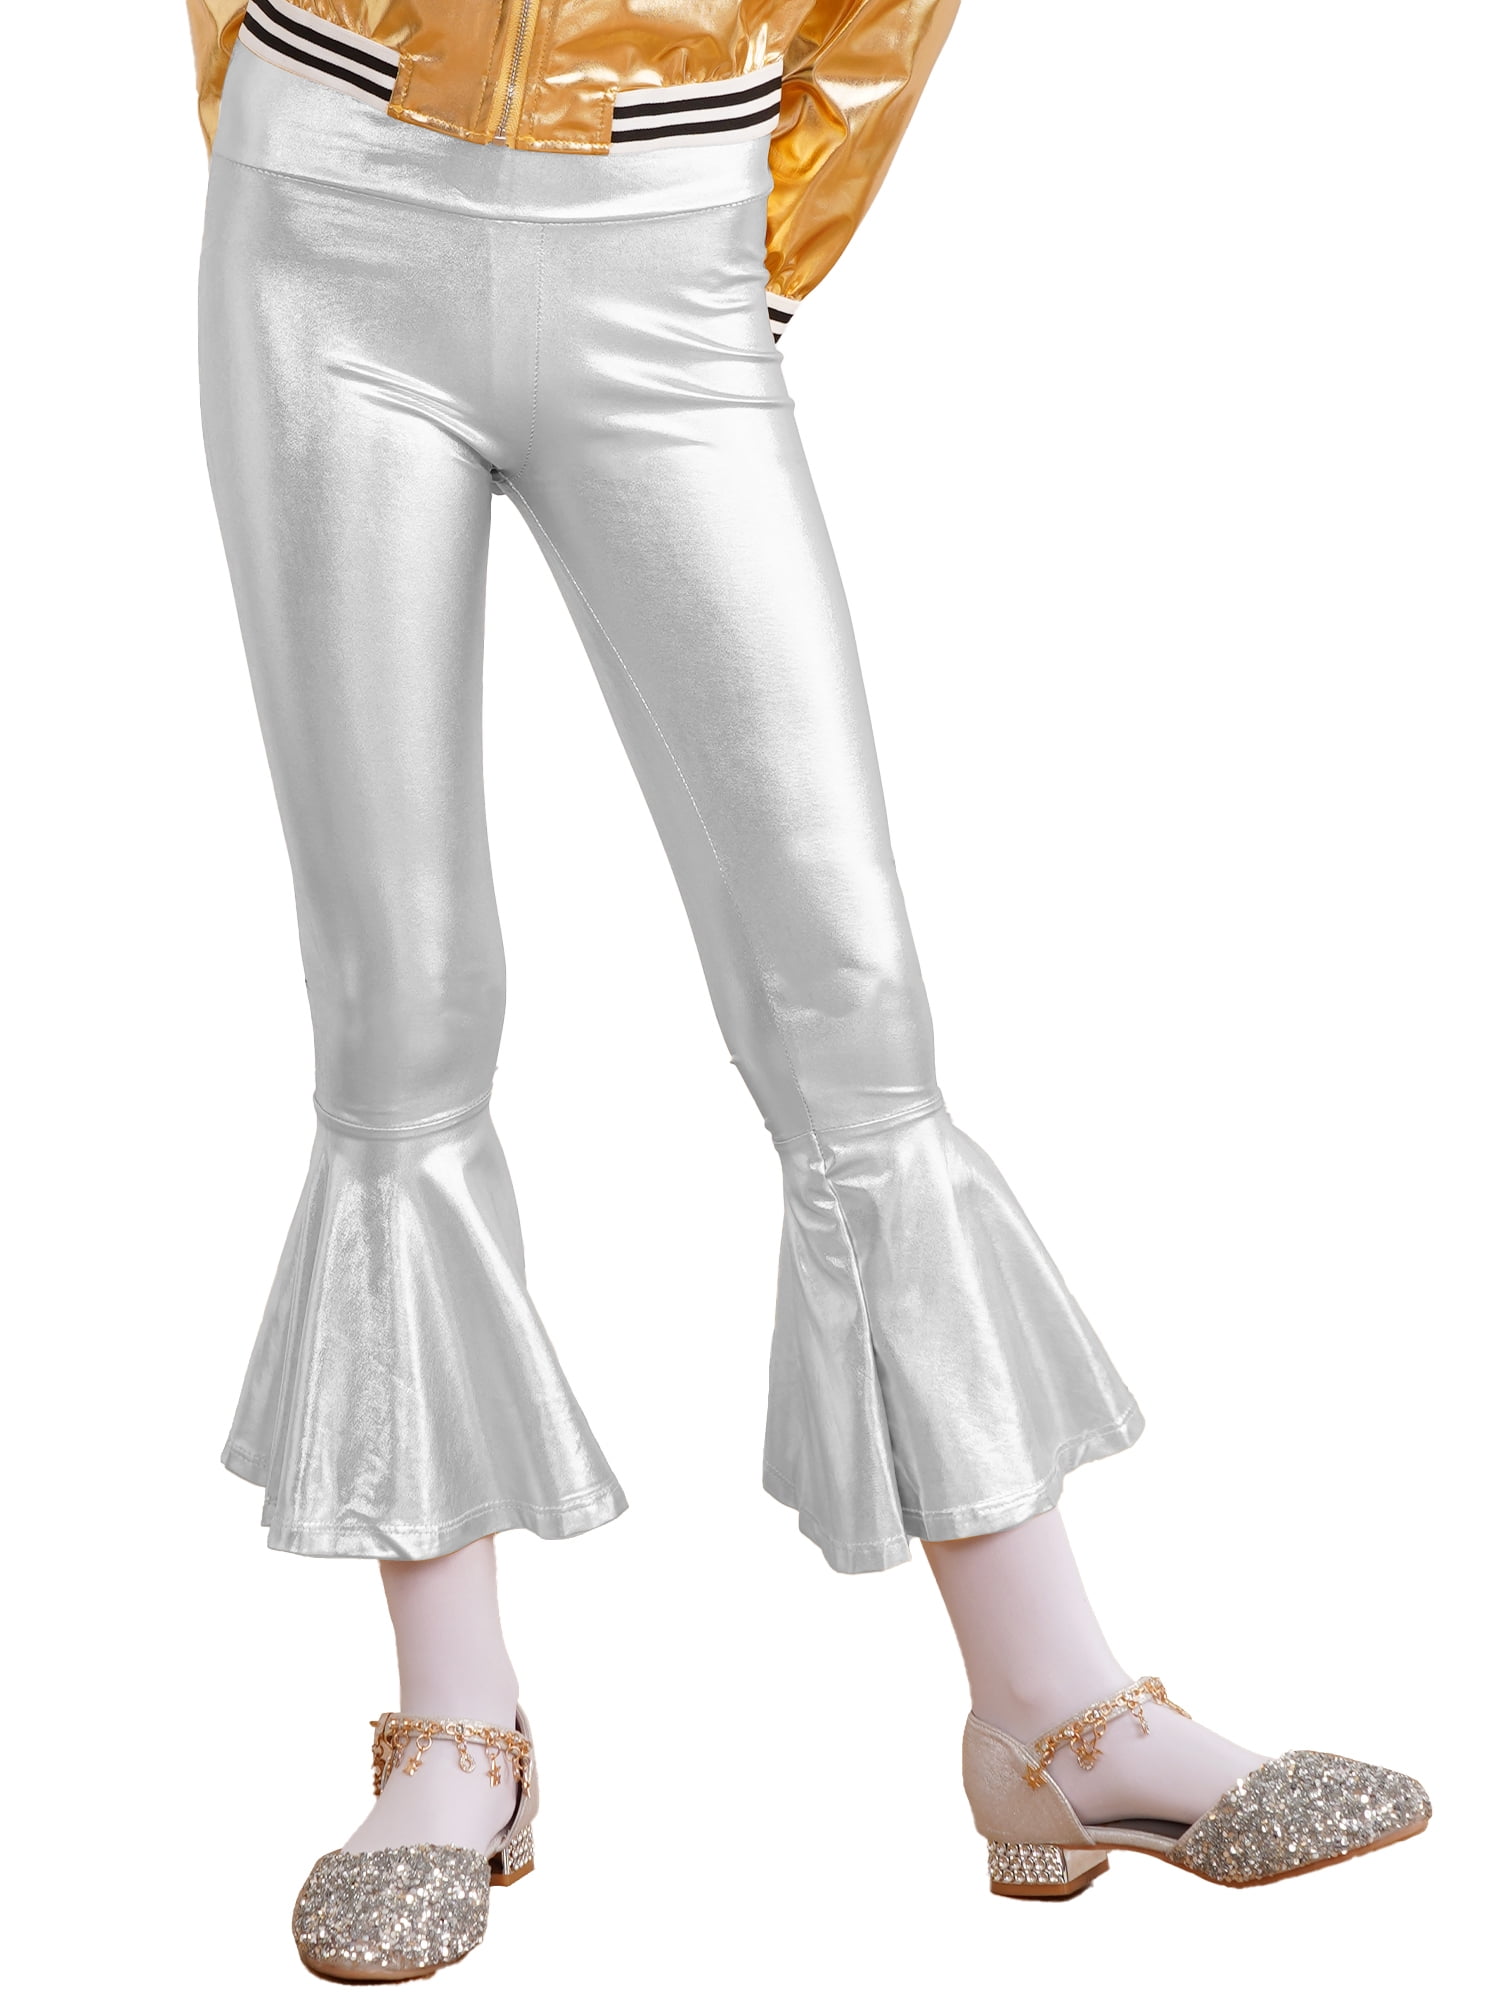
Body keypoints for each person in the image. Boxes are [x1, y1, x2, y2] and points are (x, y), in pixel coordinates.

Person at [188, 1, 1430, 1978]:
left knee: (847, 996)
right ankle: (454, 1735)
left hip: (670, 229)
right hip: (328, 207)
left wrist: (745, 240)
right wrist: (307, 126)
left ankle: (1054, 1709)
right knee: (397, 1000)